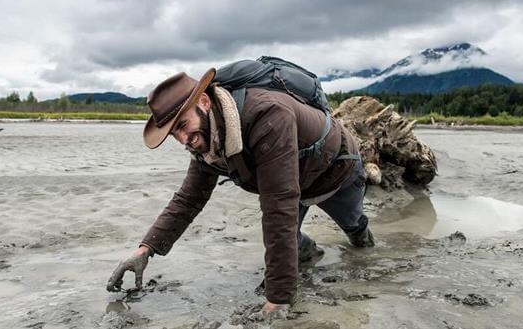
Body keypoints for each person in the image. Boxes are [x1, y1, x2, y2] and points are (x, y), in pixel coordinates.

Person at [107, 68, 374, 318]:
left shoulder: (267, 116)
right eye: (173, 133)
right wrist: (145, 249)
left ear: (204, 102)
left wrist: (278, 300)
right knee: (288, 240)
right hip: (295, 185)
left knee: (355, 230)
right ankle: (309, 253)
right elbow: (188, 199)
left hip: (337, 170)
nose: (183, 140)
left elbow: (278, 206)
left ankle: (363, 241)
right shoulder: (207, 140)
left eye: (182, 125)